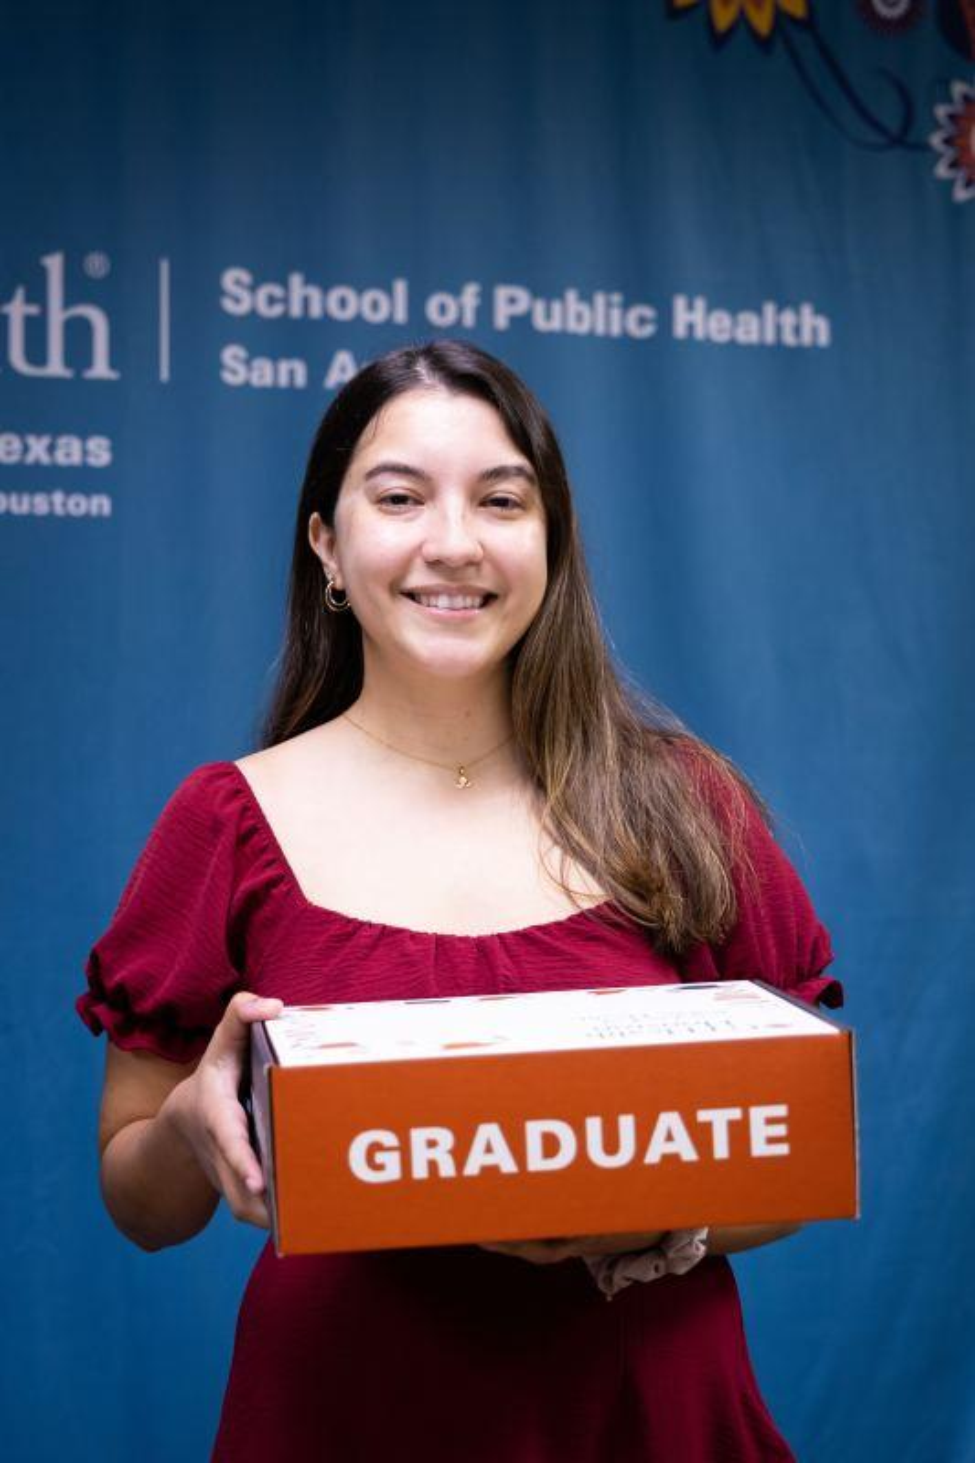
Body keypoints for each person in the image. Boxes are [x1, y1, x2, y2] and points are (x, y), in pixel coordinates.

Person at [78, 339, 842, 1462]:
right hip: (344, 1417)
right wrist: (194, 1126)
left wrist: (653, 1221)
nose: (453, 542)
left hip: (645, 1416)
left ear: (551, 544)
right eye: (399, 497)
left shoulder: (687, 806)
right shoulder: (226, 821)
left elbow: (802, 1145)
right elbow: (142, 1204)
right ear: (327, 547)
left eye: (501, 500)